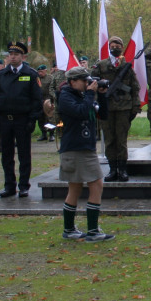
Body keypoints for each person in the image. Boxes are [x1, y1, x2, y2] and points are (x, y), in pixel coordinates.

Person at [57, 66, 114, 242]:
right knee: (96, 184)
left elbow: (102, 114)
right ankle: (93, 230)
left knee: (75, 187)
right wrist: (90, 94)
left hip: (83, 146)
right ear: (73, 82)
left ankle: (69, 229)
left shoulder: (82, 96)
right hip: (76, 148)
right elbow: (81, 112)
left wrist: (102, 95)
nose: (88, 84)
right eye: (85, 81)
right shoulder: (66, 97)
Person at [0, 42, 43, 197]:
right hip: (5, 119)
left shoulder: (31, 74)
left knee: (24, 154)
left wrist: (32, 119)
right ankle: (9, 186)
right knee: (6, 155)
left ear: (23, 57)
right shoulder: (1, 75)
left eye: (16, 55)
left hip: (22, 119)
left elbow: (36, 99)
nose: (12, 57)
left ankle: (24, 185)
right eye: (10, 54)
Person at [91, 35, 142, 181]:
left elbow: (135, 87)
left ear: (122, 47)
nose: (115, 48)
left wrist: (135, 106)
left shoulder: (127, 66)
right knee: (109, 140)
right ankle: (112, 169)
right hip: (106, 108)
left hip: (123, 107)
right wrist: (96, 104)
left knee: (121, 140)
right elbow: (92, 86)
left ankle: (122, 169)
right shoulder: (101, 65)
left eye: (118, 46)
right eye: (112, 46)